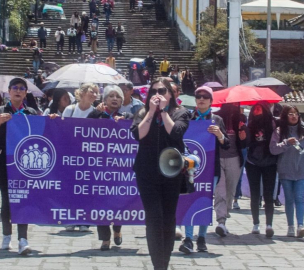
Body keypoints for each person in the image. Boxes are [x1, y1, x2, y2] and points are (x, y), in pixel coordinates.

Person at [130, 78, 190, 269]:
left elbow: (176, 133)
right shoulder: (141, 112)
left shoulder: (181, 112)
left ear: (171, 95)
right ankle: (158, 265)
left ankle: (164, 261)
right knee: (154, 217)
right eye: (154, 91)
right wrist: (151, 112)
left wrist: (163, 112)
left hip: (171, 171)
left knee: (168, 216)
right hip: (146, 171)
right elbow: (138, 134)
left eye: (163, 90)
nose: (158, 94)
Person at [0, 78, 38, 255]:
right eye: (14, 88)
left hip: (25, 162)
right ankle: (6, 235)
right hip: (4, 159)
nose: (18, 91)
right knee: (8, 199)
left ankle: (23, 239)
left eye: (21, 88)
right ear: (9, 91)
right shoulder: (1, 110)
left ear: (25, 93)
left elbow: (42, 132)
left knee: (23, 199)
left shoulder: (30, 111)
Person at [178, 86, 229, 254]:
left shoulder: (217, 119)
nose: (201, 99)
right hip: (189, 169)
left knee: (204, 201)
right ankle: (188, 238)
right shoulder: (187, 117)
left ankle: (201, 237)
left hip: (210, 169)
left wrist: (219, 135)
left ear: (211, 100)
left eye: (205, 96)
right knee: (189, 200)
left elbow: (227, 144)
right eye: (198, 96)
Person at [270, 105, 304, 238]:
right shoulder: (280, 131)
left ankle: (301, 226)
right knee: (289, 198)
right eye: (290, 114)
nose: (294, 116)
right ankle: (290, 226)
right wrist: (286, 143)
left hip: (301, 170)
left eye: (296, 114)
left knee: (299, 198)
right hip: (286, 170)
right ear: (285, 116)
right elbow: (273, 149)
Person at [87, 85, 127, 250]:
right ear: (105, 100)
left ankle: (117, 229)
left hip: (120, 168)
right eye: (111, 96)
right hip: (98, 166)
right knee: (100, 202)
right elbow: (78, 130)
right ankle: (105, 238)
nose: (114, 99)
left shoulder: (127, 116)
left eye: (117, 96)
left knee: (118, 201)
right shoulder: (95, 115)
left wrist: (125, 123)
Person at [62, 83, 99, 231]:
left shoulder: (96, 112)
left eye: (97, 93)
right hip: (71, 154)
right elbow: (61, 130)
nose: (95, 95)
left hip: (89, 157)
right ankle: (70, 218)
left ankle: (84, 218)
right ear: (82, 93)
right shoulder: (69, 110)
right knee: (70, 188)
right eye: (92, 91)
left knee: (86, 189)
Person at [213, 103, 248, 237]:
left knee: (230, 189)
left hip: (234, 158)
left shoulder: (240, 120)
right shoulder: (216, 118)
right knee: (220, 190)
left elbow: (245, 143)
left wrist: (243, 137)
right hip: (218, 159)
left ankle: (225, 215)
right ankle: (221, 221)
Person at [245, 101, 278, 238]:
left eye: (260, 108)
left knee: (268, 194)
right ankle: (255, 223)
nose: (257, 110)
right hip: (252, 162)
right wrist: (243, 135)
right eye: (255, 108)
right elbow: (245, 143)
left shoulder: (273, 123)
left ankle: (269, 224)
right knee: (254, 194)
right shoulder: (249, 124)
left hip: (269, 162)